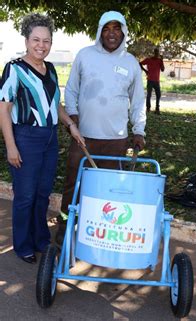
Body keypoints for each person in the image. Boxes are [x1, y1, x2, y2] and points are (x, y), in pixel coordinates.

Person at [55, 11, 146, 244]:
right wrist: (73, 117)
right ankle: (65, 226)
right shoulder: (85, 55)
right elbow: (72, 89)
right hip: (83, 136)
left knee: (109, 189)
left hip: (116, 140)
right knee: (73, 183)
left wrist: (139, 131)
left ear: (124, 32)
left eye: (117, 28)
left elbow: (137, 102)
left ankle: (99, 235)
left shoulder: (131, 62)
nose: (112, 33)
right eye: (107, 28)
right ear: (100, 31)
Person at [0, 13, 84, 264]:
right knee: (25, 195)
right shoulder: (14, 69)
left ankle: (40, 238)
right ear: (26, 40)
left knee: (43, 193)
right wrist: (11, 146)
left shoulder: (51, 69)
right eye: (36, 39)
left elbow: (54, 104)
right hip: (26, 137)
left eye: (46, 40)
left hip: (49, 138)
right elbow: (3, 109)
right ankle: (23, 245)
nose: (41, 45)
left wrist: (70, 124)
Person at [140, 48, 165, 114]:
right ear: (154, 52)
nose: (157, 53)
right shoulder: (149, 60)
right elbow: (140, 63)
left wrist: (162, 60)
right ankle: (148, 108)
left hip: (157, 81)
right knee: (149, 95)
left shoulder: (160, 60)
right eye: (156, 52)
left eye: (158, 52)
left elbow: (162, 70)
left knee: (158, 95)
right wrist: (145, 71)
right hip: (150, 80)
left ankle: (157, 109)